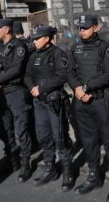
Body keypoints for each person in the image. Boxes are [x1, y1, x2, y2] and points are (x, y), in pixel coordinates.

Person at [67, 14, 109, 202]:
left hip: (101, 102)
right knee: (89, 141)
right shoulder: (75, 48)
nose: (81, 31)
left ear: (96, 28)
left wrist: (86, 87)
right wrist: (77, 88)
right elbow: (70, 72)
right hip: (82, 102)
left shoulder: (105, 49)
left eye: (85, 27)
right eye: (80, 28)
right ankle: (94, 176)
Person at [24, 24, 75, 191]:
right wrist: (33, 88)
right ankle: (50, 169)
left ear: (47, 38)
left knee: (59, 137)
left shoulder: (57, 54)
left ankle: (68, 172)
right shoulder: (33, 55)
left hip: (53, 101)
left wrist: (41, 88)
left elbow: (62, 76)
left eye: (37, 38)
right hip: (39, 102)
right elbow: (27, 75)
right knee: (43, 136)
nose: (35, 41)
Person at [0, 18, 33, 180]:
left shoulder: (19, 46)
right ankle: (12, 159)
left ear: (6, 29)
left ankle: (25, 163)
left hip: (16, 92)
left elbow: (16, 69)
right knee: (4, 129)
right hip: (1, 94)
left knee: (21, 129)